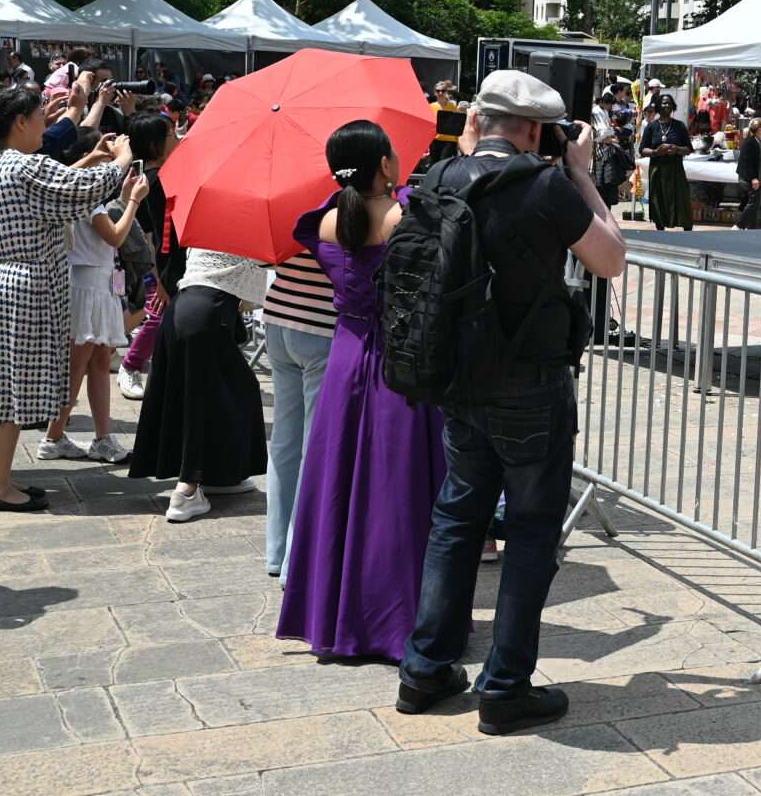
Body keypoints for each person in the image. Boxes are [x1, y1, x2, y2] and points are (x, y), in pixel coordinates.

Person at [398, 71, 626, 734]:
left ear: (481, 120)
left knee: (457, 518)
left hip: (455, 376)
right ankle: (504, 687)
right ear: (535, 129)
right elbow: (610, 259)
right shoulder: (546, 186)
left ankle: (426, 669)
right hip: (529, 380)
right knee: (528, 531)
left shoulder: (438, 178)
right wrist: (582, 172)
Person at [277, 121, 448, 655]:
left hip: (345, 362)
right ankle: (397, 623)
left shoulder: (329, 221)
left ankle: (332, 618)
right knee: (398, 492)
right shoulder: (404, 216)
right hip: (399, 365)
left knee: (336, 486)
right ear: (383, 164)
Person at [0, 85, 131, 511]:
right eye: (41, 116)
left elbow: (59, 189)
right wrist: (121, 160)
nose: (46, 123)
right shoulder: (27, 167)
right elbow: (82, 189)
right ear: (20, 122)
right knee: (9, 395)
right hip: (26, 287)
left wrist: (93, 158)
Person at [127, 249, 269, 522]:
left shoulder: (205, 235)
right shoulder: (247, 239)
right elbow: (251, 297)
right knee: (204, 400)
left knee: (222, 392)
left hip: (181, 312)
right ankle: (187, 489)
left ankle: (219, 474)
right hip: (206, 315)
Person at [37, 127, 149, 465]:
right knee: (78, 366)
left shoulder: (79, 192)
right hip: (86, 285)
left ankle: (102, 437)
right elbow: (115, 236)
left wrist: (98, 161)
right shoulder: (87, 198)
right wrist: (132, 200)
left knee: (100, 362)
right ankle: (53, 436)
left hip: (98, 282)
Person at [261, 246, 336, 579]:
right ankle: (295, 561)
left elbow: (266, 258)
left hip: (279, 315)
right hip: (321, 323)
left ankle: (277, 553)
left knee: (284, 442)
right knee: (311, 446)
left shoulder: (284, 201)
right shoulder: (335, 209)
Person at [117, 112, 183, 401]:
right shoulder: (155, 181)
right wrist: (158, 273)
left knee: (155, 313)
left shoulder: (154, 176)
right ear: (155, 144)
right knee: (155, 313)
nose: (177, 138)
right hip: (149, 261)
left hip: (149, 260)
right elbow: (153, 232)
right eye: (170, 135)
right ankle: (129, 365)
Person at [638, 93, 692, 231]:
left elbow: (689, 148)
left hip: (675, 169)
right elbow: (642, 149)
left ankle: (687, 232)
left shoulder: (679, 126)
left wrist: (677, 149)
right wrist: (656, 152)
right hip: (658, 169)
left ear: (673, 106)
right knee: (658, 199)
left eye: (669, 103)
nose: (666, 105)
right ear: (658, 106)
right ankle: (660, 230)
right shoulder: (652, 127)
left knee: (681, 199)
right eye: (663, 103)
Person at [734, 117, 761, 229]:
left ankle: (752, 227)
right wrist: (753, 178)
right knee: (754, 203)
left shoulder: (760, 141)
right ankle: (739, 225)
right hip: (750, 178)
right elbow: (749, 162)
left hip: (759, 178)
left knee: (756, 204)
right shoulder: (750, 142)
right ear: (759, 129)